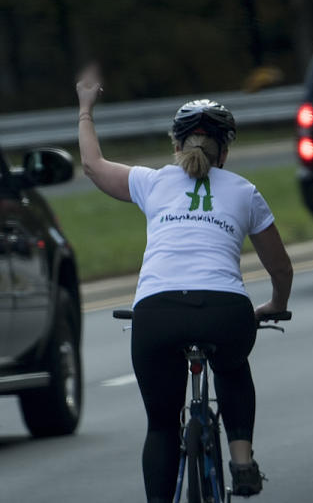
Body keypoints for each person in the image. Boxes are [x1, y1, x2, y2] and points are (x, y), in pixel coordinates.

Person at [75, 66, 293, 502]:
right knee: (232, 366)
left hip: (157, 312)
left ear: (175, 146)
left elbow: (93, 166)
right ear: (225, 152)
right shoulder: (245, 191)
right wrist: (274, 304)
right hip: (225, 311)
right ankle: (243, 459)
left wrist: (85, 109)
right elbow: (281, 267)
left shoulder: (152, 181)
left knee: (160, 424)